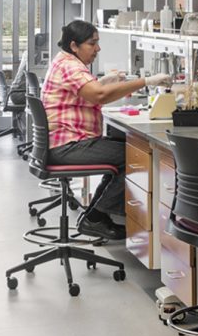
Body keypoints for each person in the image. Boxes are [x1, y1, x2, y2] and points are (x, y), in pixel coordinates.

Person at [42, 19, 172, 239]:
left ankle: (95, 216)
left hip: (61, 143)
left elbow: (84, 91)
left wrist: (103, 80)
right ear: (74, 45)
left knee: (126, 151)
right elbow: (98, 96)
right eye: (92, 43)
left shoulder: (63, 61)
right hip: (68, 147)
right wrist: (146, 81)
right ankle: (97, 216)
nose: (97, 49)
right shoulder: (71, 66)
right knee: (136, 156)